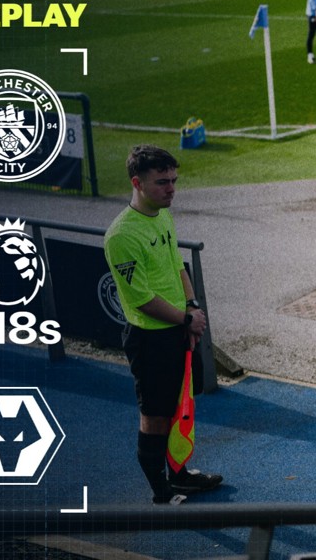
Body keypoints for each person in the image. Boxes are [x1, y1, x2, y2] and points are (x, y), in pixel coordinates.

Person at [104, 145, 223, 505]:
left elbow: (176, 265)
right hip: (150, 339)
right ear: (137, 183)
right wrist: (186, 319)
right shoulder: (122, 235)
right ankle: (161, 491)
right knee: (155, 415)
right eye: (162, 182)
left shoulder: (162, 215)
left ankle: (180, 474)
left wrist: (192, 307)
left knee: (179, 406)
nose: (171, 189)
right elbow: (141, 299)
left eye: (173, 180)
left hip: (178, 330)